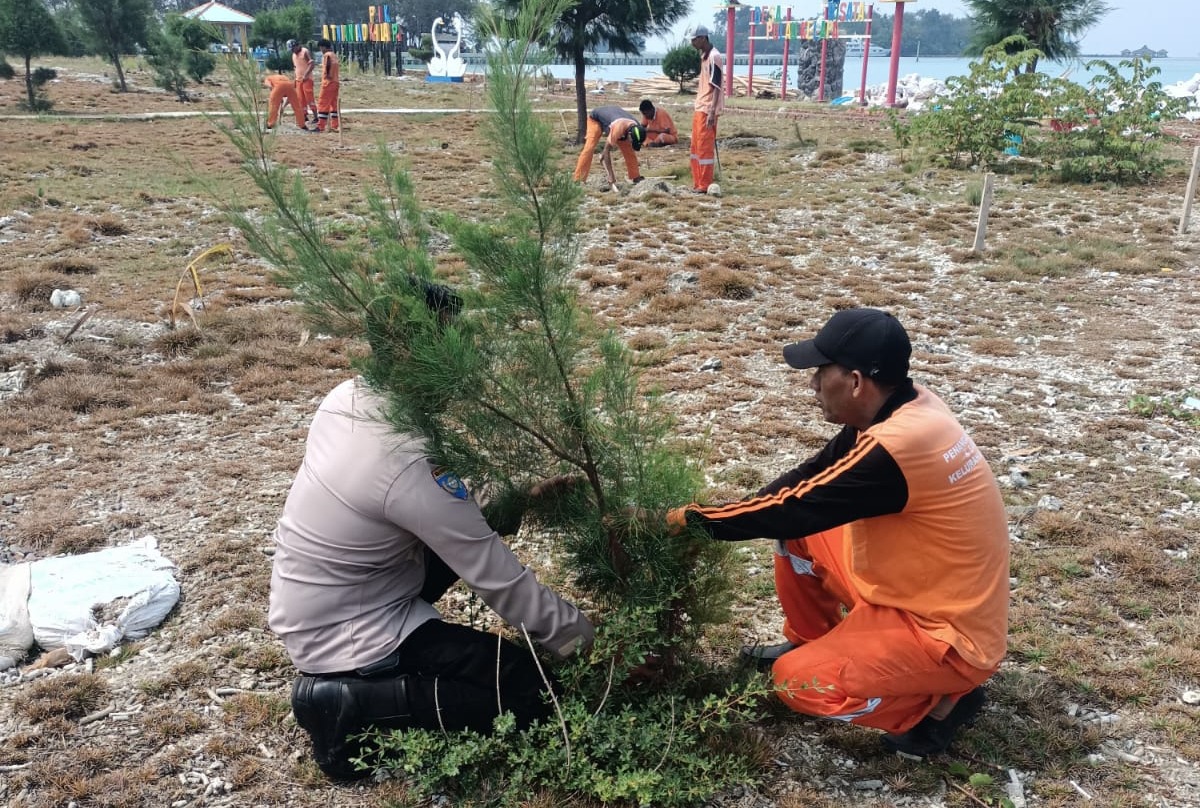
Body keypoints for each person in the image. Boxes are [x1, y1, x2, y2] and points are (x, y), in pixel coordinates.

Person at [268, 283, 594, 780]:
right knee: (529, 687)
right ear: (412, 351)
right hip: (349, 630)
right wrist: (587, 643)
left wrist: (512, 502)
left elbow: (428, 502)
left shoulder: (348, 397)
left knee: (471, 537)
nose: (462, 360)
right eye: (450, 345)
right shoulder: (402, 460)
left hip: (334, 594)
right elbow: (500, 581)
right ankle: (341, 703)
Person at [665, 308, 1009, 758]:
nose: (812, 385)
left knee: (797, 683)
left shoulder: (896, 447)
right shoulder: (906, 405)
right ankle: (813, 638)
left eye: (820, 373)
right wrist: (710, 516)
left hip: (946, 636)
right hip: (921, 590)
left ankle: (937, 704)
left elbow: (790, 508)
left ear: (855, 382)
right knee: (802, 537)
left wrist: (686, 521)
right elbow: (807, 481)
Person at [685, 25, 725, 194]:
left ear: (703, 38)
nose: (692, 43)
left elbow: (716, 86)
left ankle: (704, 183)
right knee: (696, 147)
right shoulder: (704, 56)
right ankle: (698, 182)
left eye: (694, 40)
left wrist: (711, 111)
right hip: (699, 106)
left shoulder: (714, 57)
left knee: (705, 147)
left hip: (707, 108)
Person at [572, 105, 646, 188]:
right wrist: (611, 175)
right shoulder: (618, 128)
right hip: (595, 119)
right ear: (629, 134)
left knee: (629, 150)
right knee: (589, 147)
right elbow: (607, 150)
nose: (631, 142)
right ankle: (578, 179)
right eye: (632, 140)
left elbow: (632, 141)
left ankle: (635, 177)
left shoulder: (637, 127)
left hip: (618, 123)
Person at [288, 38, 317, 127]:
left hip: (307, 80)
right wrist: (295, 79)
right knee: (301, 99)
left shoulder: (305, 52)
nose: (293, 51)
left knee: (309, 98)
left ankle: (316, 116)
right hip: (298, 80)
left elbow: (311, 64)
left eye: (293, 49)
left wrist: (306, 75)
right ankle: (304, 116)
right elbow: (296, 67)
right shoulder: (293, 55)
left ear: (297, 46)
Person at [315, 38, 340, 133]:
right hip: (335, 82)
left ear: (324, 47)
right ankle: (335, 125)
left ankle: (321, 126)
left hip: (328, 83)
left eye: (321, 48)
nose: (321, 50)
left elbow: (328, 67)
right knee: (333, 104)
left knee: (323, 103)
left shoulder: (327, 55)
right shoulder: (334, 55)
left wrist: (327, 77)